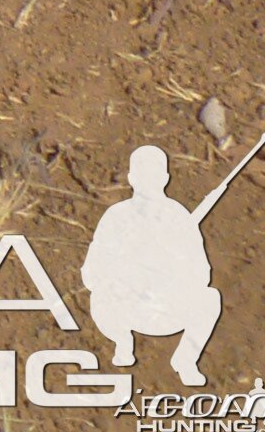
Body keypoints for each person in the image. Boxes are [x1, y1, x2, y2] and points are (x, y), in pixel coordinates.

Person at [81, 144, 223, 384]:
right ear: (131, 178)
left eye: (155, 174)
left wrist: (171, 272)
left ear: (165, 178)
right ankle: (123, 343)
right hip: (126, 307)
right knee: (100, 297)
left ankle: (186, 360)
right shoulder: (117, 217)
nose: (149, 180)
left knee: (210, 298)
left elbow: (202, 273)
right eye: (142, 173)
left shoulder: (179, 218)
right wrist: (126, 276)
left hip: (168, 308)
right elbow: (92, 271)